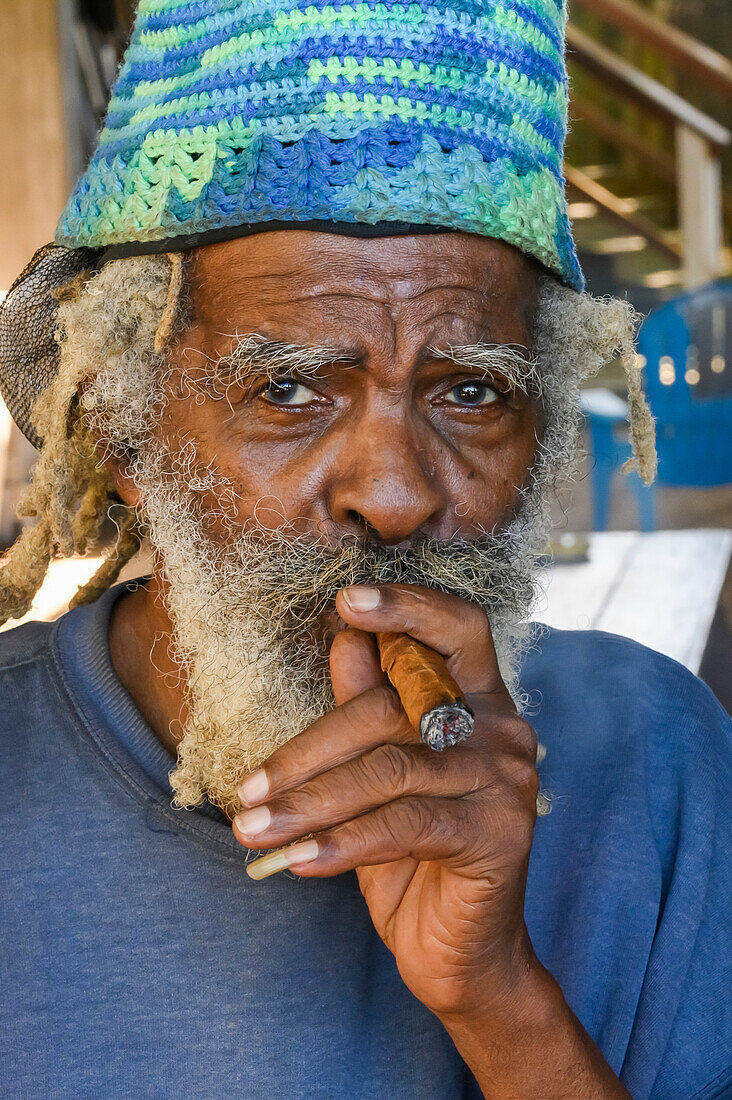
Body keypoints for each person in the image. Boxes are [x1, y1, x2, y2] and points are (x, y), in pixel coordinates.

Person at [0, 1, 729, 1097]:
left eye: (472, 389)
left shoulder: (659, 758)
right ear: (123, 428)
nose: (394, 494)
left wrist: (501, 998)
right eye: (288, 388)